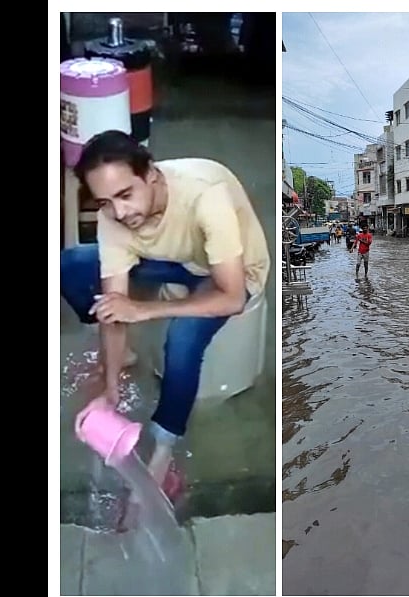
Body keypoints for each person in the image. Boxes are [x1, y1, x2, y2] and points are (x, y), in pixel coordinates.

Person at [60, 130, 271, 492]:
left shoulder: (206, 196)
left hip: (234, 272)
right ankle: (122, 357)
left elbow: (232, 297)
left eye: (126, 195)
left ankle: (163, 450)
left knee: (183, 336)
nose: (119, 212)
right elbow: (115, 306)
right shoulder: (115, 215)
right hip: (180, 261)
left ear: (152, 175)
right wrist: (110, 389)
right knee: (72, 265)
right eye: (105, 202)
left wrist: (143, 310)